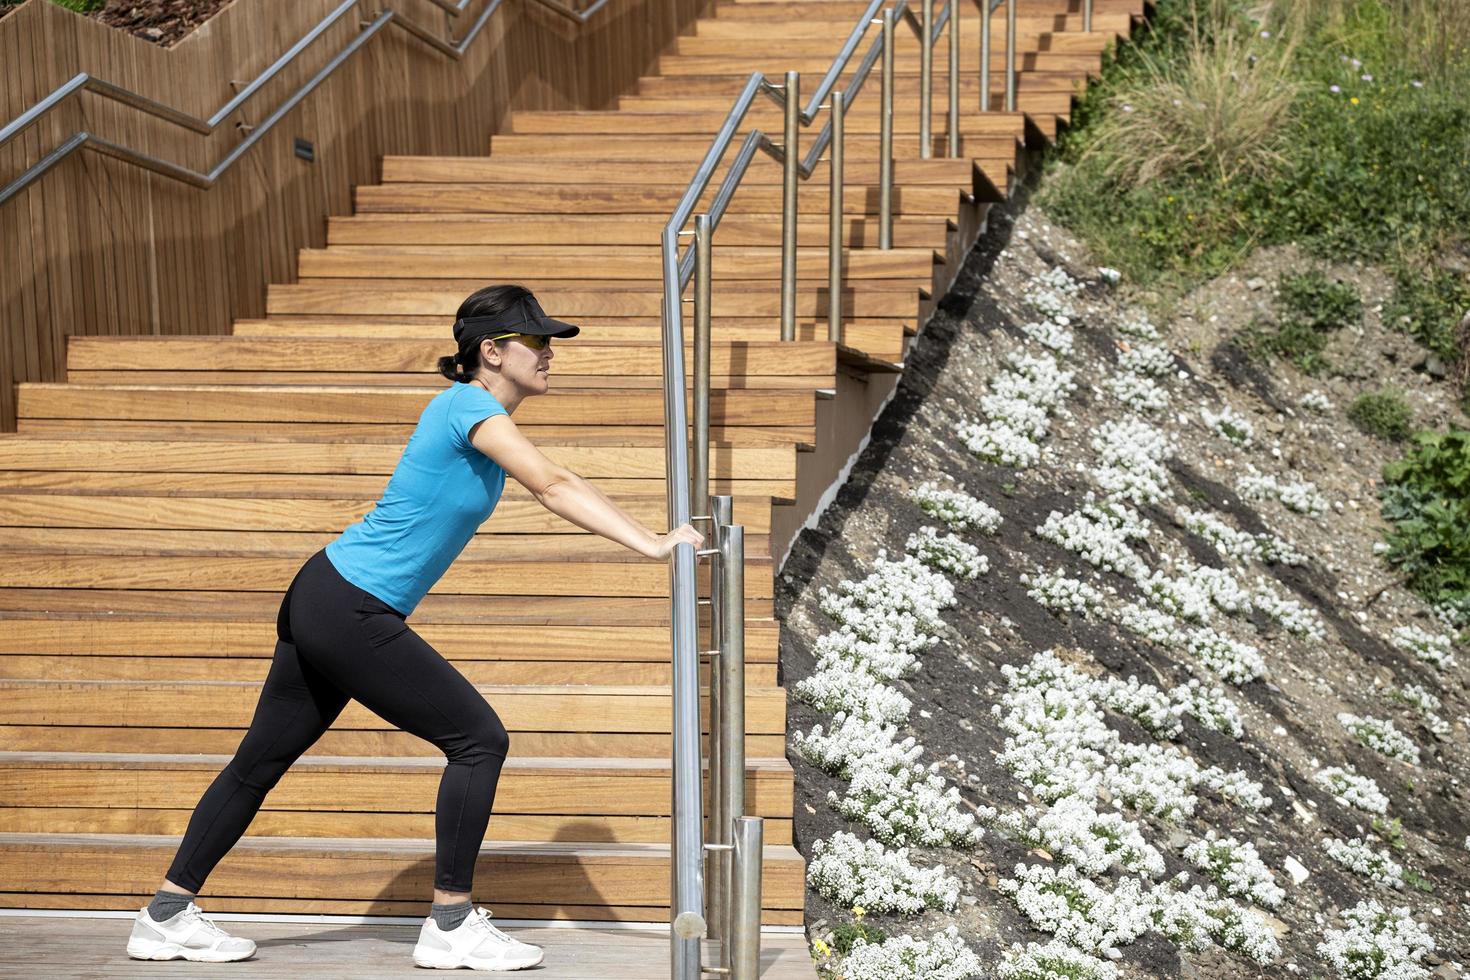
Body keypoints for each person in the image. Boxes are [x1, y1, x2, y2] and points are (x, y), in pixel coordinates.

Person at [124, 284, 704, 971]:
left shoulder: (478, 417)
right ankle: (452, 922)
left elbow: (548, 480)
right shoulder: (468, 405)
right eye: (539, 342)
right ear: (491, 351)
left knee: (260, 763)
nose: (551, 355)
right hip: (348, 603)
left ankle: (165, 915)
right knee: (479, 739)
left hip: (330, 594)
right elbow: (553, 486)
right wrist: (653, 544)